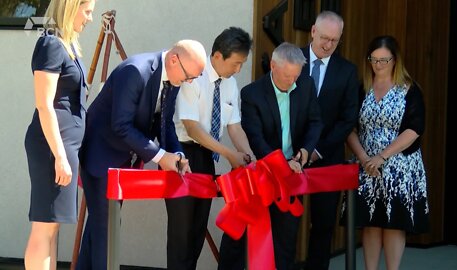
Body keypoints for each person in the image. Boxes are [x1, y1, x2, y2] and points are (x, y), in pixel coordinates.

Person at [76, 40, 207, 270]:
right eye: (188, 77)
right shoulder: (135, 70)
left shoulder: (174, 78)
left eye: (193, 79)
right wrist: (159, 156)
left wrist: (176, 154)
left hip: (121, 158)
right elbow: (121, 125)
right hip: (101, 155)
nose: (188, 82)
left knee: (99, 229)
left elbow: (164, 123)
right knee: (106, 233)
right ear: (174, 59)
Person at [218, 42, 323, 270]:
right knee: (237, 238)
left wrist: (304, 151)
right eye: (287, 76)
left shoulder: (306, 85)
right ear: (273, 66)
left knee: (285, 242)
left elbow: (315, 122)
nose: (292, 81)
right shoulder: (252, 93)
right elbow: (255, 138)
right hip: (259, 174)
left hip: (291, 176)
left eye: (296, 75)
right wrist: (281, 164)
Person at [170, 27, 255, 270]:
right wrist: (229, 154)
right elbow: (192, 128)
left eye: (242, 63)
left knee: (197, 229)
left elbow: (235, 127)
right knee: (181, 233)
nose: (238, 69)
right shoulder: (194, 74)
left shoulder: (230, 83)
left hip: (207, 155)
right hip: (182, 154)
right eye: (236, 63)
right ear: (217, 56)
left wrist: (248, 157)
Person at [345, 35, 429, 270]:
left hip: (399, 168)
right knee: (371, 223)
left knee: (394, 223)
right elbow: (348, 127)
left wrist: (382, 156)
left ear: (395, 60)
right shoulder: (361, 88)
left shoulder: (409, 90)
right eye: (374, 59)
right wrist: (364, 158)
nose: (378, 65)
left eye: (384, 60)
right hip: (367, 167)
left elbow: (414, 129)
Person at [23, 0, 96, 269]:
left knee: (52, 229)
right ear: (71, 7)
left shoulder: (68, 46)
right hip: (52, 148)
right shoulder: (51, 44)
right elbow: (44, 104)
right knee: (44, 227)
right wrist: (60, 155)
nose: (89, 19)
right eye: (87, 11)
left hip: (63, 147)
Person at [300, 10, 360, 270]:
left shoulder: (347, 71)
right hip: (290, 157)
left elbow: (348, 120)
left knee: (323, 225)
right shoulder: (290, 58)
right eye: (324, 37)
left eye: (334, 41)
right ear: (313, 31)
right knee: (283, 223)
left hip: (327, 157)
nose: (328, 45)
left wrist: (317, 151)